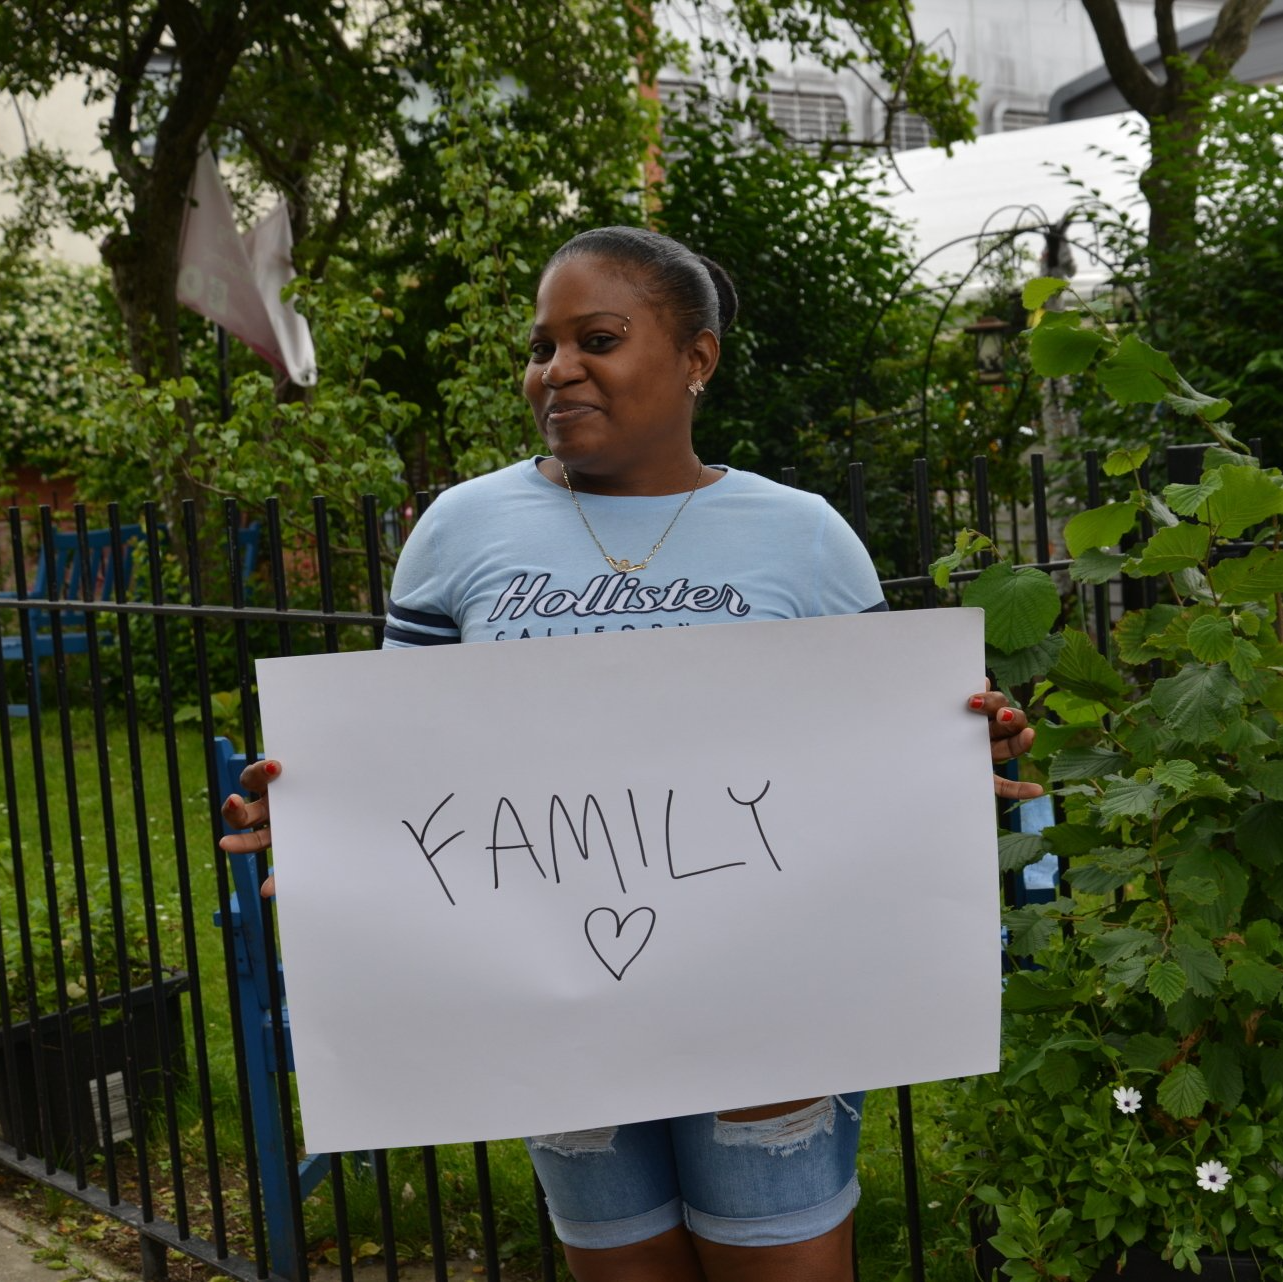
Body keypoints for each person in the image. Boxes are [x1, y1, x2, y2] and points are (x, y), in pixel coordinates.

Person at [221, 226, 1040, 1282]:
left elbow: (872, 755)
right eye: (541, 347)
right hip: (557, 1018)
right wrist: (319, 815)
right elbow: (409, 764)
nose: (556, 370)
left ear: (696, 357)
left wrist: (956, 752)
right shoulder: (460, 530)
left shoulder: (801, 536)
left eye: (596, 340)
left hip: (770, 1009)